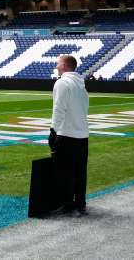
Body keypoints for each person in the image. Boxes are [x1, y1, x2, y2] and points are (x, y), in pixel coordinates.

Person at [49, 54, 89, 216]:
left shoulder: (62, 83)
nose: (57, 66)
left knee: (64, 171)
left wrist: (53, 130)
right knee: (80, 172)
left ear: (65, 66)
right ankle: (80, 204)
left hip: (67, 135)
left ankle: (65, 203)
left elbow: (59, 108)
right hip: (83, 135)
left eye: (58, 64)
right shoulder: (81, 86)